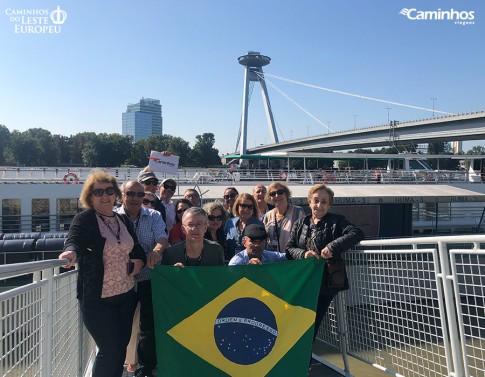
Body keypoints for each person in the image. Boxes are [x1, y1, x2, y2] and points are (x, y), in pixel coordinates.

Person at [58, 171, 146, 377]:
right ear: (90, 196)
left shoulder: (122, 220)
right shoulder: (85, 219)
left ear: (116, 194)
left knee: (120, 348)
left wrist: (138, 260)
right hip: (98, 299)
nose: (104, 196)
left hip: (125, 295)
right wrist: (70, 252)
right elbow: (75, 239)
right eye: (98, 192)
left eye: (109, 191)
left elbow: (137, 248)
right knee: (109, 350)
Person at [286, 183, 364, 342]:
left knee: (311, 324)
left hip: (325, 283)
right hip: (303, 281)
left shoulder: (337, 221)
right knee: (295, 322)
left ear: (329, 205)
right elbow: (289, 248)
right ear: (309, 203)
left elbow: (356, 233)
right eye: (315, 201)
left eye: (323, 201)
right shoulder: (300, 223)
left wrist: (332, 247)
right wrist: (303, 254)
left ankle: (304, 362)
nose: (319, 205)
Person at [115, 180, 168, 377]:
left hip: (148, 277)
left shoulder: (153, 215)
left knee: (147, 326)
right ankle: (120, 363)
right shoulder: (112, 217)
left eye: (140, 195)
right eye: (131, 194)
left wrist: (155, 251)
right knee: (121, 325)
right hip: (120, 281)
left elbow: (162, 237)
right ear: (122, 196)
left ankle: (145, 369)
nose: (136, 198)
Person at [264, 182, 305, 253]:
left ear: (286, 194)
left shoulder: (298, 212)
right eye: (273, 194)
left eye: (280, 192)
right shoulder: (268, 215)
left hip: (292, 258)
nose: (276, 196)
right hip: (273, 259)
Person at [224, 193, 263, 260]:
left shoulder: (259, 225)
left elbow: (261, 248)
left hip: (251, 265)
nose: (246, 209)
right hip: (231, 264)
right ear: (237, 206)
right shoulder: (229, 223)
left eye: (250, 206)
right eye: (243, 206)